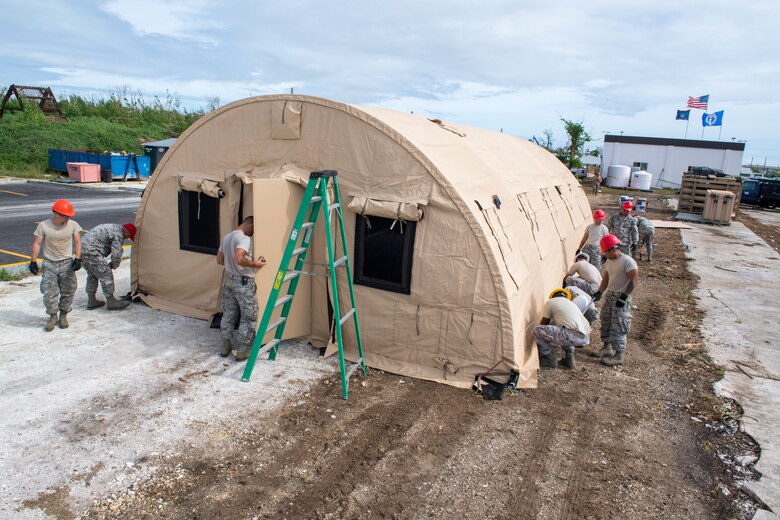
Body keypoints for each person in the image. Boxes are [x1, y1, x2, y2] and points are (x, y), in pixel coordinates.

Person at [216, 216, 267, 361]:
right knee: (249, 316)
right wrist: (254, 264)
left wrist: (231, 264)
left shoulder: (227, 237)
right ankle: (243, 351)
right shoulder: (244, 239)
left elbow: (219, 260)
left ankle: (225, 346)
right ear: (251, 224)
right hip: (243, 283)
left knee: (229, 313)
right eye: (254, 229)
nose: (253, 233)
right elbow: (239, 258)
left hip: (229, 279)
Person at [29, 199, 82, 331]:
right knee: (49, 292)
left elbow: (78, 242)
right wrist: (33, 261)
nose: (68, 218)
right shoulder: (43, 226)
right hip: (49, 264)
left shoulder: (73, 225)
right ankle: (53, 316)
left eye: (69, 216)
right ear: (56, 213)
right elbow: (37, 243)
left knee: (69, 290)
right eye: (65, 215)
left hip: (66, 263)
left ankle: (63, 315)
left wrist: (78, 258)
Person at [591, 234, 639, 367]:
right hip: (610, 296)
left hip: (621, 297)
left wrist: (624, 297)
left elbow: (633, 280)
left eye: (606, 252)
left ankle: (619, 355)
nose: (605, 255)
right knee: (606, 321)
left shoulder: (627, 261)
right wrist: (599, 292)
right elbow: (606, 279)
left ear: (613, 249)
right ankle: (607, 347)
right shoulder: (609, 261)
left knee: (619, 325)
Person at [81, 223, 136, 310]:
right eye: (128, 237)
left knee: (93, 274)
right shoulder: (118, 234)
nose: (126, 238)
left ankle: (91, 300)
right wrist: (113, 265)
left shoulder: (113, 227)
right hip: (92, 251)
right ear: (127, 232)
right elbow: (116, 254)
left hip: (82, 250)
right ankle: (111, 301)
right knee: (106, 274)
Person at [533, 288, 591, 370]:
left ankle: (549, 359)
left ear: (552, 297)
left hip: (572, 335)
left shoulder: (550, 302)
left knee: (538, 330)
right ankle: (569, 359)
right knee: (564, 328)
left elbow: (544, 323)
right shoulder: (571, 304)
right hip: (584, 337)